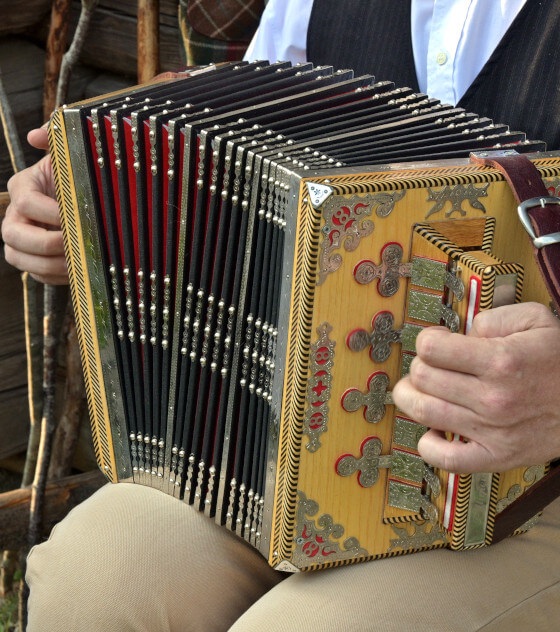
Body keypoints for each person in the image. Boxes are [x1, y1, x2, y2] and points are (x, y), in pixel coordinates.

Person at [3, 1, 560, 630]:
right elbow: (240, 134)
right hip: (295, 437)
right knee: (99, 577)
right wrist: (91, 209)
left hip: (536, 481)